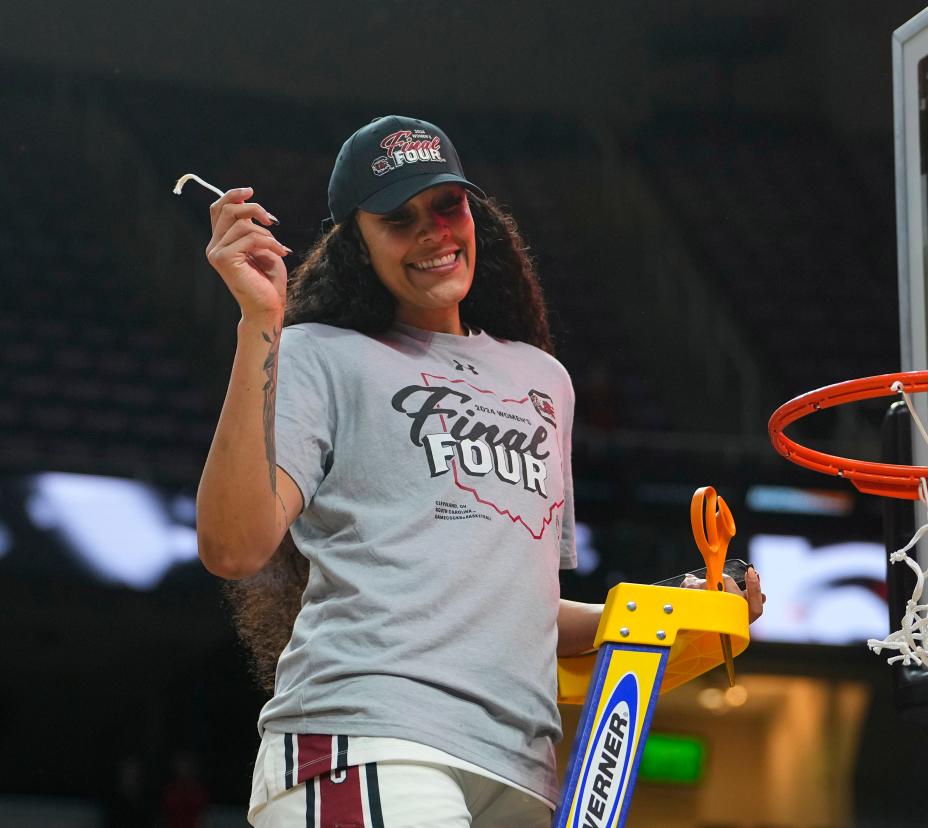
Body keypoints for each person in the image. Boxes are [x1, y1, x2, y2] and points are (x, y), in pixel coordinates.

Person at [196, 115, 764, 827]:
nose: (434, 233)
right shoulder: (319, 352)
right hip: (373, 740)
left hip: (522, 768)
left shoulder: (544, 380)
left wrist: (672, 607)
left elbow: (520, 608)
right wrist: (259, 323)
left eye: (447, 206)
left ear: (476, 212)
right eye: (399, 220)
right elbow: (233, 547)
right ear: (356, 245)